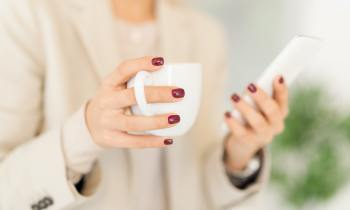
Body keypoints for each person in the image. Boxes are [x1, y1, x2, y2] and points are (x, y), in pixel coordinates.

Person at [0, 0, 289, 209]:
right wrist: (84, 133)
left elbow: (198, 193)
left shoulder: (206, 33)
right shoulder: (28, 13)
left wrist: (236, 159)